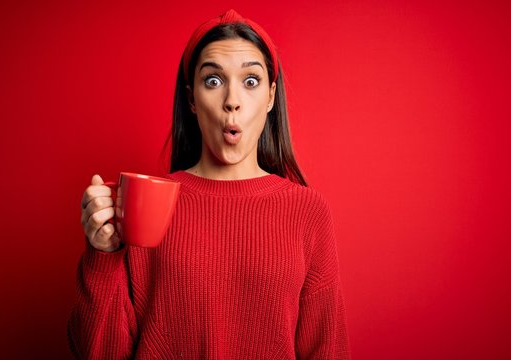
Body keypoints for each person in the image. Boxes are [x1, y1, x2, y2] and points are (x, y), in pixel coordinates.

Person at [68, 9, 350, 359]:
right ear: (191, 100)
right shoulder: (146, 207)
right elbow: (100, 353)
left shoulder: (308, 212)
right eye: (213, 81)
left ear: (270, 98)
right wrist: (102, 256)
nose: (232, 100)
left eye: (250, 81)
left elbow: (327, 349)